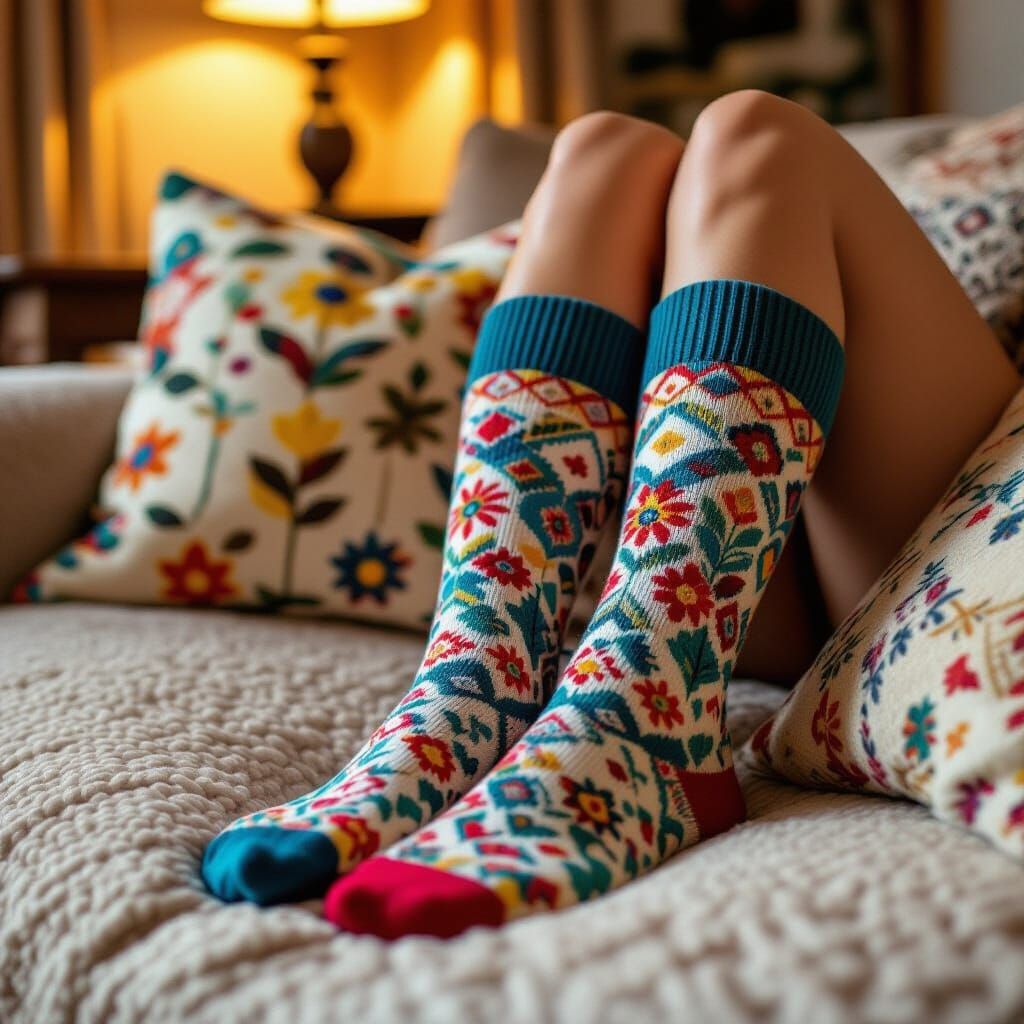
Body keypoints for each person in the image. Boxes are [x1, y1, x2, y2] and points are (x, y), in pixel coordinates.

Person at [201, 91, 1018, 939]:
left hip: (939, 543)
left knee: (757, 133)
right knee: (603, 151)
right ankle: (476, 688)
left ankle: (646, 718)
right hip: (750, 542)